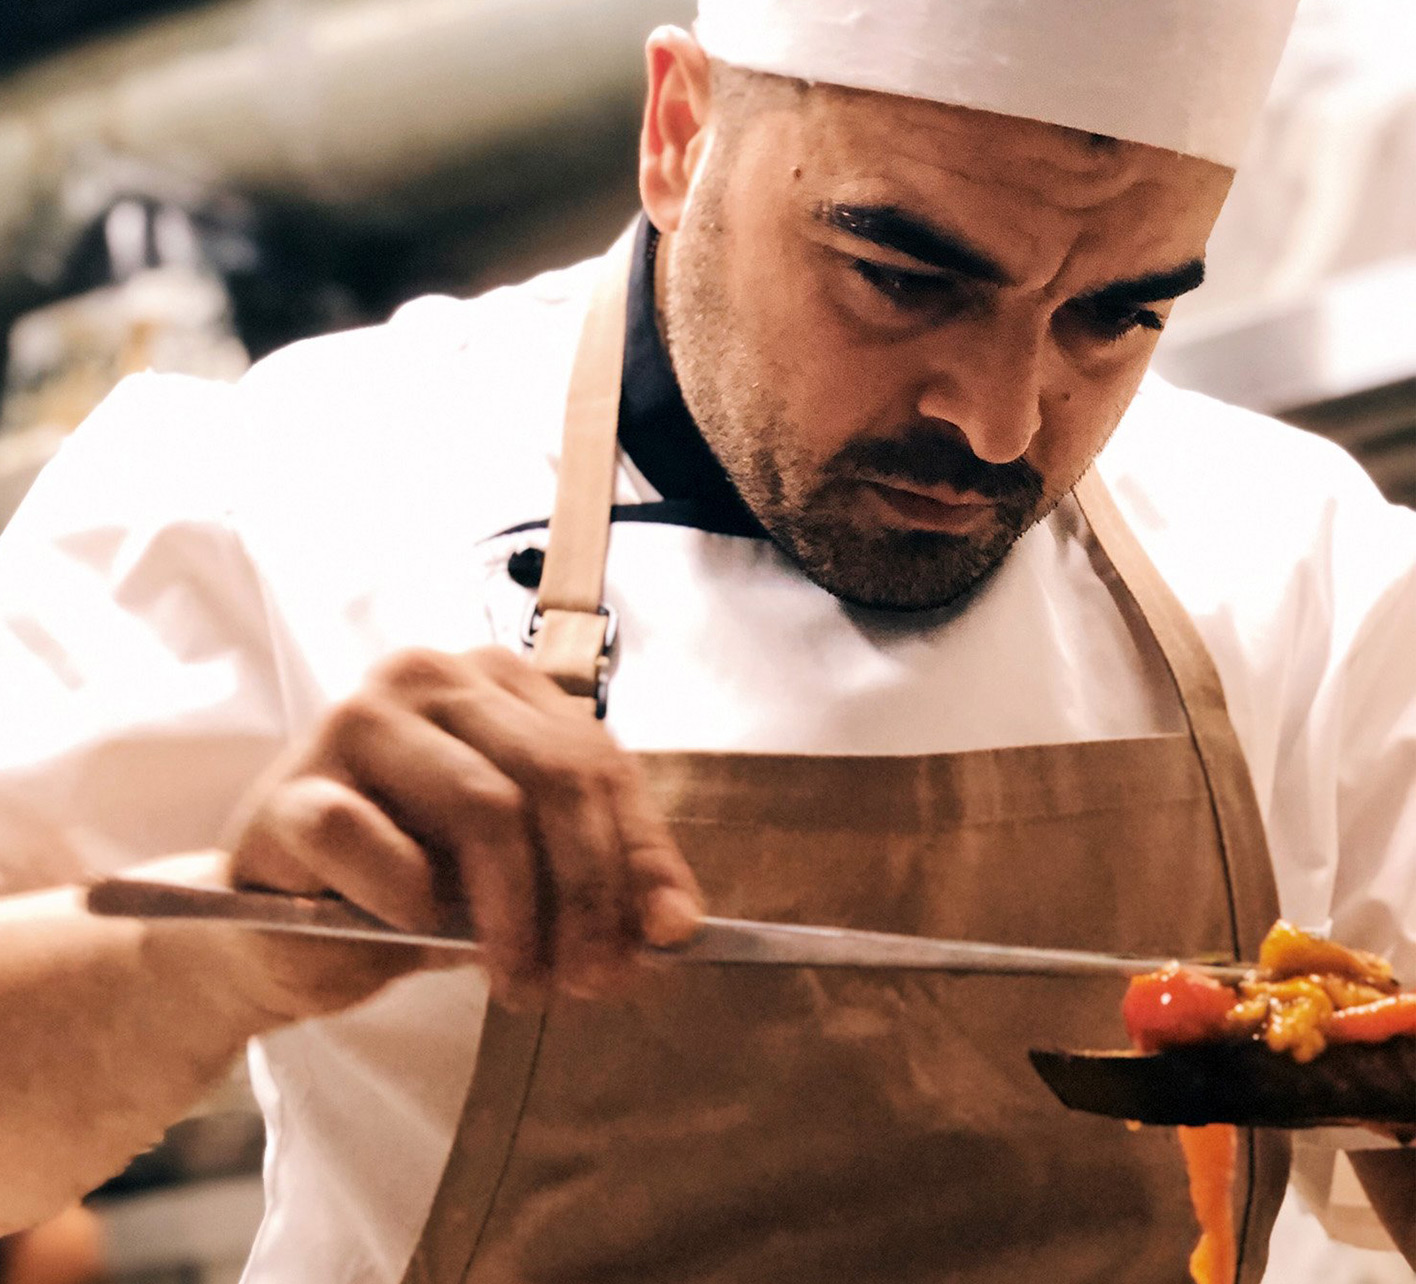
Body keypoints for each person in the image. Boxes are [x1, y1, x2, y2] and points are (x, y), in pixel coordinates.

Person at [0, 1, 1412, 1280]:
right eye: (902, 279)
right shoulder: (276, 489)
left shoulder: (1302, 556)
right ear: (680, 135)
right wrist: (233, 947)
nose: (999, 422)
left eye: (1119, 315)